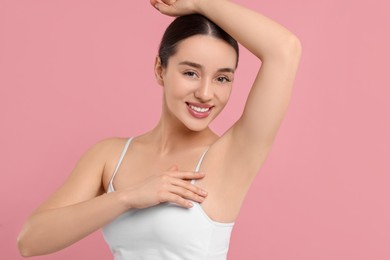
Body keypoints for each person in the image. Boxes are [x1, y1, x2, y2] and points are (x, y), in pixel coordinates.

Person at [17, 0, 301, 259]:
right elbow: (30, 241)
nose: (205, 93)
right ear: (160, 69)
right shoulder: (110, 156)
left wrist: (199, 2)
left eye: (222, 78)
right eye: (191, 72)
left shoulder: (231, 155)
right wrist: (128, 197)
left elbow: (285, 49)